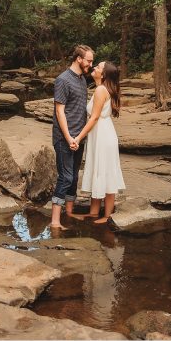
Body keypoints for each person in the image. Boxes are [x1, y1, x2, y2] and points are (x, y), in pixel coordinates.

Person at [74, 60, 125, 223]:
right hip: (102, 133)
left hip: (102, 134)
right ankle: (94, 212)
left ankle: (107, 216)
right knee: (98, 168)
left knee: (105, 172)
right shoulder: (102, 88)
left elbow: (94, 117)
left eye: (98, 67)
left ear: (103, 74)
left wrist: (79, 137)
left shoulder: (101, 90)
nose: (94, 67)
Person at [51, 44, 95, 229]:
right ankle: (54, 221)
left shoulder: (82, 79)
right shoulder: (63, 80)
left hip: (79, 137)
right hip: (64, 138)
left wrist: (79, 137)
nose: (90, 64)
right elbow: (60, 112)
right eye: (88, 60)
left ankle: (68, 212)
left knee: (74, 176)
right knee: (66, 177)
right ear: (78, 59)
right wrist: (69, 138)